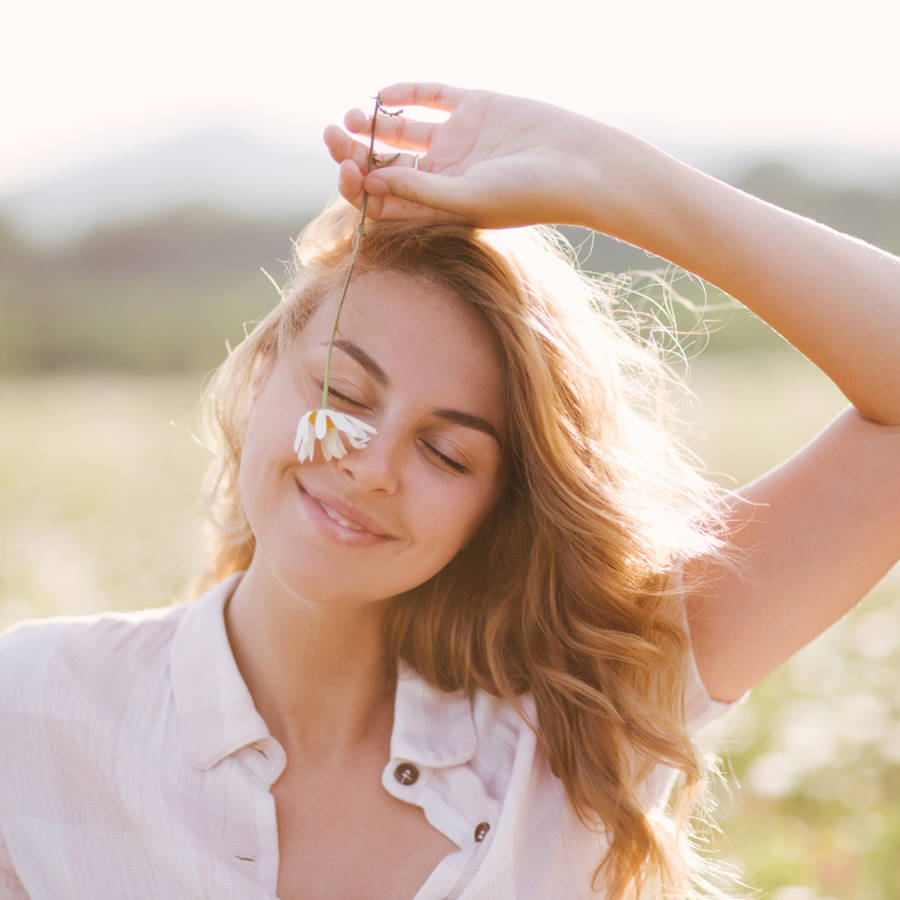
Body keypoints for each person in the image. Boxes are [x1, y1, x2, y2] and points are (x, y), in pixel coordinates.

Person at [0, 82, 897, 900]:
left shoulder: (583, 714)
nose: (374, 464)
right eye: (343, 395)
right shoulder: (32, 709)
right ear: (263, 371)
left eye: (448, 454)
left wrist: (607, 177)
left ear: (497, 507)